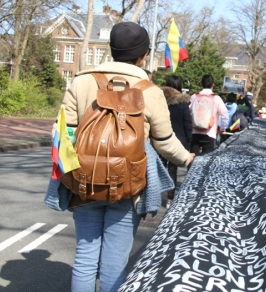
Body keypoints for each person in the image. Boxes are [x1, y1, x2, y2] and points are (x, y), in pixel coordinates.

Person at [61, 22, 195, 292]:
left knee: (85, 258)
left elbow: (64, 134)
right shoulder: (150, 91)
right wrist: (189, 160)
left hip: (84, 182)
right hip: (127, 186)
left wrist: (71, 173)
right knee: (114, 262)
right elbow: (165, 142)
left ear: (112, 50)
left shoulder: (80, 81)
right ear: (143, 55)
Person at [161, 75, 192, 208]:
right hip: (177, 142)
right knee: (172, 171)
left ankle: (152, 198)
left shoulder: (159, 101)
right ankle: (170, 199)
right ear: (179, 86)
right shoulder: (183, 103)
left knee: (157, 169)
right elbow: (187, 124)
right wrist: (189, 142)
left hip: (159, 138)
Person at [190, 75, 229, 155]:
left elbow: (188, 112)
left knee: (192, 158)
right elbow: (225, 115)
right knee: (206, 161)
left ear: (201, 84)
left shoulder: (194, 97)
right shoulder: (216, 98)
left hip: (194, 132)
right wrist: (222, 129)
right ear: (213, 85)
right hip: (209, 133)